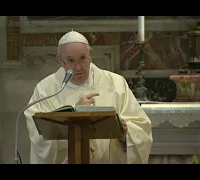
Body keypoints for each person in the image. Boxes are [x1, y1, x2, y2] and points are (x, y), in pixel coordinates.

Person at [24, 30, 153, 164]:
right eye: (70, 61)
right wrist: (75, 115)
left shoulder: (116, 83)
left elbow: (141, 127)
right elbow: (39, 134)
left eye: (82, 58)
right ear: (60, 60)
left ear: (90, 54)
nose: (78, 67)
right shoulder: (45, 89)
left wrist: (126, 133)